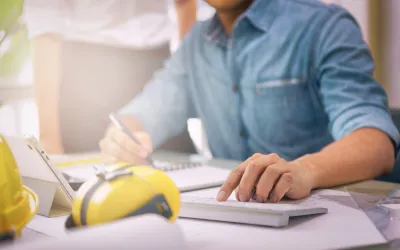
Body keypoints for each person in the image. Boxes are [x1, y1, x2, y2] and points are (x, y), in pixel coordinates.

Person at [99, 0, 400, 203]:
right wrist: (124, 138)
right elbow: (144, 112)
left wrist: (304, 171)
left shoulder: (323, 25)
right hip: (235, 221)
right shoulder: (196, 45)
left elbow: (376, 144)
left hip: (325, 219)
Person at [24, 0, 198, 154]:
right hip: (88, 75)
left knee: (181, 173)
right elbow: (45, 21)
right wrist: (49, 140)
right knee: (91, 179)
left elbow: (185, 3)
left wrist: (191, 71)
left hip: (158, 66)